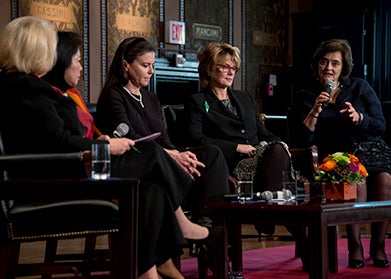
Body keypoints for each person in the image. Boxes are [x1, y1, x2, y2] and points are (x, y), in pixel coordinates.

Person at [0, 18, 216, 279]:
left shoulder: (29, 87)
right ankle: (182, 220)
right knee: (150, 153)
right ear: (36, 49)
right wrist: (104, 145)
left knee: (152, 190)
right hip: (52, 179)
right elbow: (58, 141)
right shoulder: (28, 89)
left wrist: (98, 144)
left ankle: (146, 272)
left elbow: (55, 138)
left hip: (66, 166)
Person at [95, 37, 230, 224]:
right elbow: (131, 138)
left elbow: (162, 136)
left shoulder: (151, 98)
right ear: (126, 65)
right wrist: (172, 157)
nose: (151, 71)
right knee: (171, 160)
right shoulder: (113, 96)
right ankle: (193, 226)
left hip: (162, 156)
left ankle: (211, 223)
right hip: (137, 161)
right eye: (145, 65)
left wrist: (177, 154)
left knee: (212, 154)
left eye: (152, 65)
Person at [288, 38, 391, 268]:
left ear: (344, 67)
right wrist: (315, 111)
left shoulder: (360, 87)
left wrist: (359, 118)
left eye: (335, 63)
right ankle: (355, 244)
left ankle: (379, 245)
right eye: (324, 62)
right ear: (317, 65)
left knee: (384, 178)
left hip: (368, 151)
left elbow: (381, 125)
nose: (329, 68)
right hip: (336, 157)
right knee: (357, 178)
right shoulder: (306, 95)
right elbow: (301, 140)